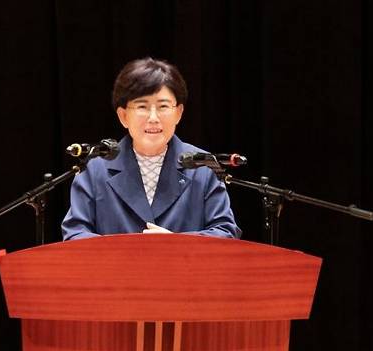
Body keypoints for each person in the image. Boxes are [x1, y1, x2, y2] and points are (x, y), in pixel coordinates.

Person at [61, 57, 241, 240]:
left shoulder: (202, 165)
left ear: (179, 113)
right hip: (115, 268)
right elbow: (75, 234)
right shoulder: (94, 168)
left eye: (163, 106)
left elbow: (225, 232)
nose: (153, 117)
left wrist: (178, 244)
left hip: (183, 268)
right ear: (123, 116)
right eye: (142, 106)